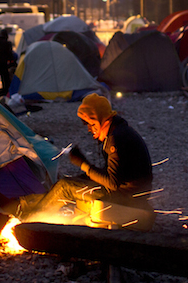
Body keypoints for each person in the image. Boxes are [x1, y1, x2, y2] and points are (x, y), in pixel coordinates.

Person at [10, 93, 153, 223]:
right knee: (68, 183)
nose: (89, 129)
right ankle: (25, 206)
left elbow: (113, 182)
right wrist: (82, 177)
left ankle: (30, 221)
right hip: (128, 192)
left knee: (64, 187)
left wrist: (83, 163)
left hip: (125, 197)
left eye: (89, 124)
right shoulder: (118, 132)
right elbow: (113, 173)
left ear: (98, 118)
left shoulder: (115, 140)